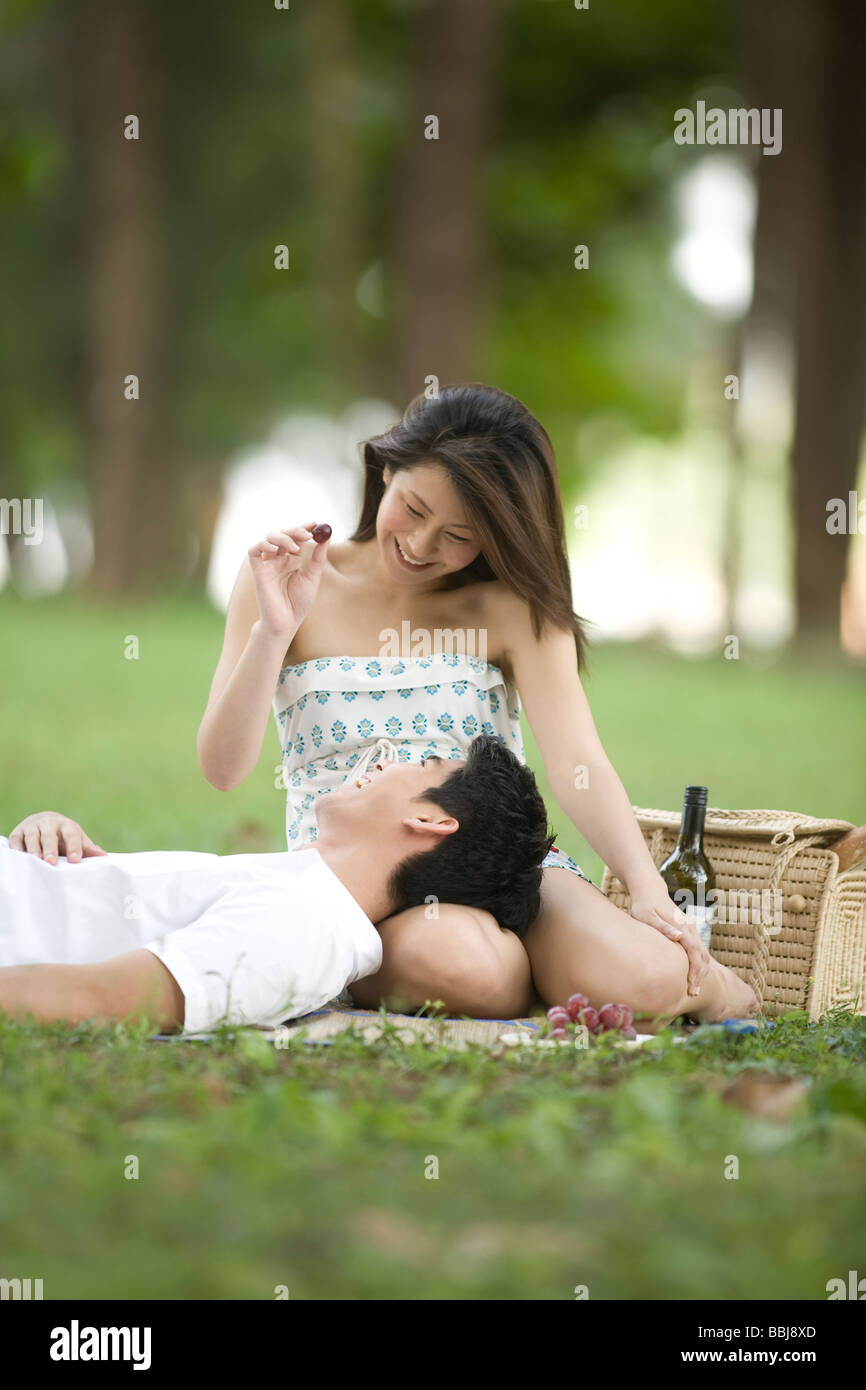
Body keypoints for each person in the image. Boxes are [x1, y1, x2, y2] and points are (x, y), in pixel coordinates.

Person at [197, 384, 760, 1024]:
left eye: (459, 535)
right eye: (412, 508)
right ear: (386, 471)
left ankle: (701, 987)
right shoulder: (292, 579)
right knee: (465, 968)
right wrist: (273, 631)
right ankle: (542, 977)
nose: (421, 543)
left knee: (650, 980)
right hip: (367, 880)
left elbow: (578, 762)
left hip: (506, 863)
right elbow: (223, 768)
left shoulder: (511, 609)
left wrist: (645, 887)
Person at [0, 739, 554, 1034]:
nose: (387, 760)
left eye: (423, 764)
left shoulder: (306, 928)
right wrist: (55, 844)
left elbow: (98, 999)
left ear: (432, 821)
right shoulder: (294, 887)